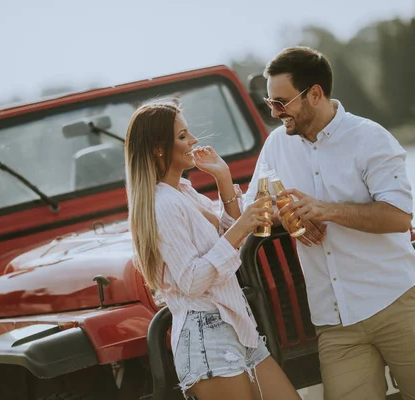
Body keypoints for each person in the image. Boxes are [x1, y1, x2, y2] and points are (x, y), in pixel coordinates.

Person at [244, 46, 415, 400]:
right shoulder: (276, 146)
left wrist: (325, 210)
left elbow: (399, 216)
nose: (275, 112)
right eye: (270, 103)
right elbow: (254, 209)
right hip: (335, 321)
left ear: (314, 94)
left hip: (394, 301)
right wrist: (286, 215)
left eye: (281, 102)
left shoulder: (370, 137)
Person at [125, 98, 301, 400]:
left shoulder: (183, 192)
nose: (193, 140)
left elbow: (233, 238)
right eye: (182, 136)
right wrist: (242, 226)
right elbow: (191, 280)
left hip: (236, 328)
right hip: (207, 337)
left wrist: (223, 178)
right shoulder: (163, 204)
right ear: (158, 149)